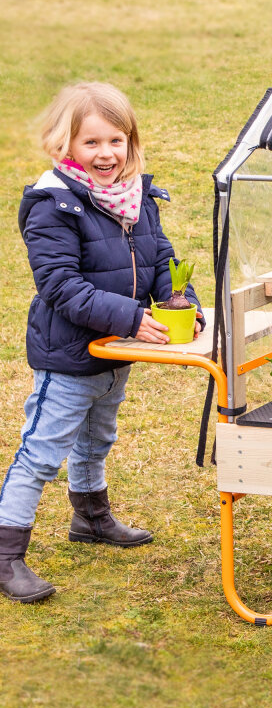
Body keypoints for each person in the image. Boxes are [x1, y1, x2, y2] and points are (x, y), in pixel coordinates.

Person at [0, 82, 204, 603]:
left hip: (118, 352)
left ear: (130, 142)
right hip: (70, 354)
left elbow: (162, 263)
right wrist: (132, 317)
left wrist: (186, 306)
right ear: (63, 145)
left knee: (98, 439)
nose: (106, 153)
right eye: (91, 143)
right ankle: (5, 557)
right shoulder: (54, 205)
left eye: (116, 140)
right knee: (42, 453)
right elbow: (60, 286)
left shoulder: (139, 199)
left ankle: (91, 519)